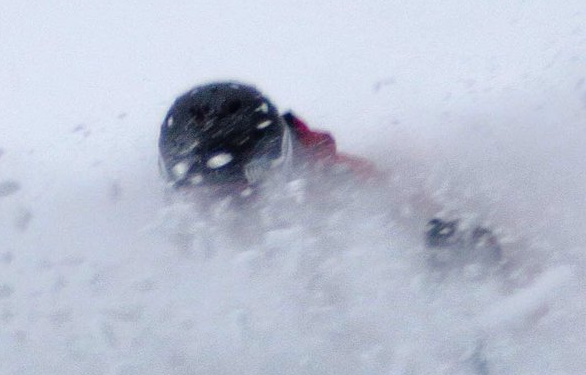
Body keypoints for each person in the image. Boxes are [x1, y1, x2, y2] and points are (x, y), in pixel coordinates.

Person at [157, 81, 508, 270]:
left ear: (282, 158)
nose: (233, 199)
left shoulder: (342, 183)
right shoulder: (167, 229)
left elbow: (416, 211)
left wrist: (458, 243)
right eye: (209, 186)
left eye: (250, 177)